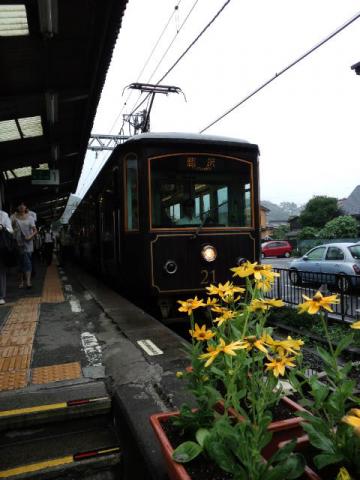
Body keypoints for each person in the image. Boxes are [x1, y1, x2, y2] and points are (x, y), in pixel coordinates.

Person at [12, 203, 37, 289]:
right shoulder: (14, 217)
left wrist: (30, 236)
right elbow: (10, 229)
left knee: (27, 262)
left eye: (23, 205)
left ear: (26, 207)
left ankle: (28, 282)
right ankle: (21, 281)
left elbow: (35, 230)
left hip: (28, 243)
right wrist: (13, 224)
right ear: (18, 207)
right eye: (20, 205)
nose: (21, 206)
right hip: (18, 243)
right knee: (20, 263)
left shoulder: (30, 218)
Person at [0, 208, 13, 304]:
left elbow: (10, 231)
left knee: (1, 272)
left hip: (1, 247)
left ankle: (1, 296)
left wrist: (3, 227)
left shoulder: (3, 215)